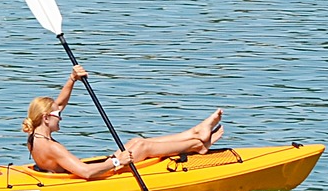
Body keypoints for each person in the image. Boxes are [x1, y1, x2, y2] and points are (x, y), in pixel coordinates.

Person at [23, 63, 223, 180]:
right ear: (46, 118)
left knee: (136, 142)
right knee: (142, 146)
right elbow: (86, 172)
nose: (61, 115)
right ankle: (198, 144)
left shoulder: (35, 136)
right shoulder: (52, 147)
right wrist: (117, 161)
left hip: (78, 170)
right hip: (98, 175)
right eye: (57, 115)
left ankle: (194, 134)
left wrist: (72, 79)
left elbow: (59, 103)